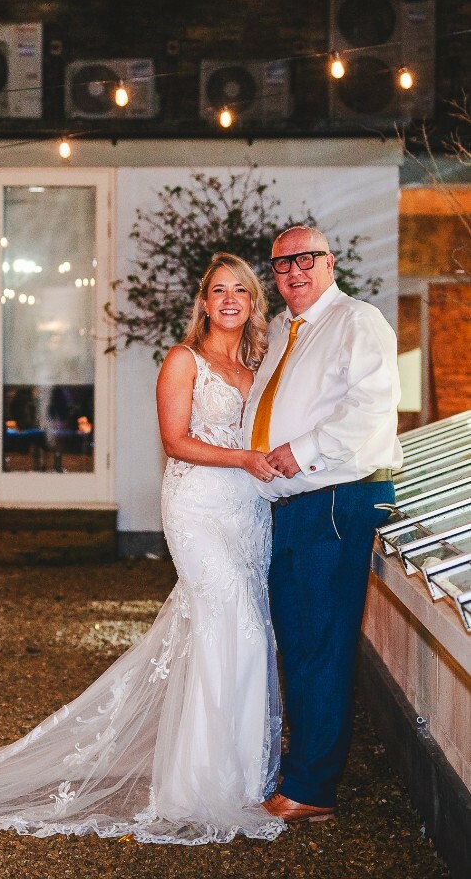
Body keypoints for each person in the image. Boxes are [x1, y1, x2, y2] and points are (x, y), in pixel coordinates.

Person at [0, 253, 286, 845]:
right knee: (224, 623)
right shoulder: (181, 360)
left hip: (247, 511)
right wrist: (245, 458)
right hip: (197, 507)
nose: (231, 299)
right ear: (205, 302)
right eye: (219, 291)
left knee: (247, 629)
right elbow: (176, 441)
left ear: (253, 300)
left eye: (241, 289)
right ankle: (197, 786)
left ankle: (241, 778)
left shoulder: (261, 361)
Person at [242, 225, 402, 824]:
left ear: (330, 262)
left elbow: (370, 410)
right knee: (301, 639)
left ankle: (311, 788)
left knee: (320, 644)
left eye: (307, 259)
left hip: (336, 495)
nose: (295, 271)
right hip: (298, 501)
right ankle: (304, 771)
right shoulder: (284, 329)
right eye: (283, 264)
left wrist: (299, 450)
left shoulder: (358, 322)